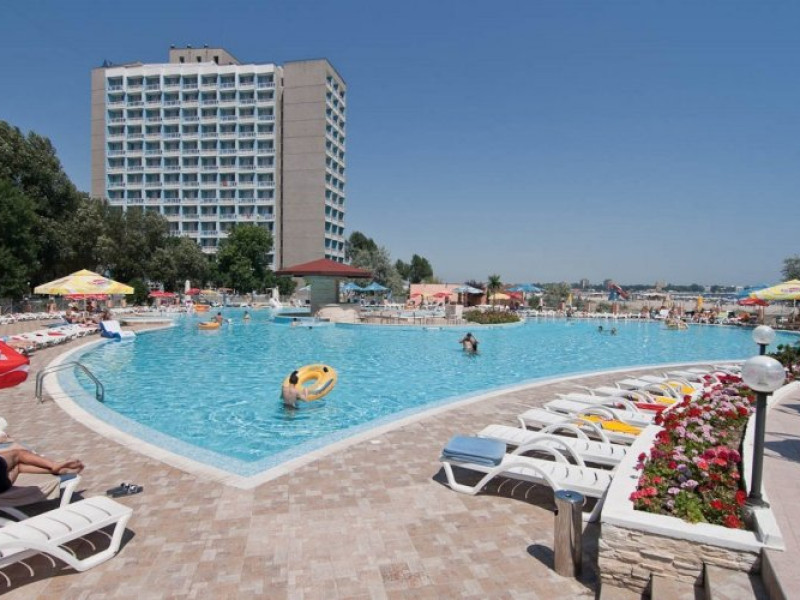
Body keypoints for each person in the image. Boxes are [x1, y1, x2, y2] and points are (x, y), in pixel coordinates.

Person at [0, 447, 84, 494]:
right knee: (18, 454)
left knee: (18, 466)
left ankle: (61, 470)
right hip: (3, 482)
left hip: (3, 485)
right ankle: (54, 465)